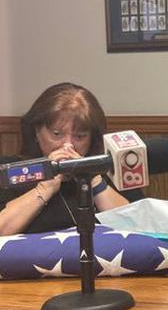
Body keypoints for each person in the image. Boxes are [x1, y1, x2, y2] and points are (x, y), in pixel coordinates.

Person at [0, 83, 131, 235]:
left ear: (92, 139)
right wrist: (46, 187)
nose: (68, 145)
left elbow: (135, 230)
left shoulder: (108, 172)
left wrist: (92, 179)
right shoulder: (10, 172)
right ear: (36, 132)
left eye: (80, 136)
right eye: (57, 134)